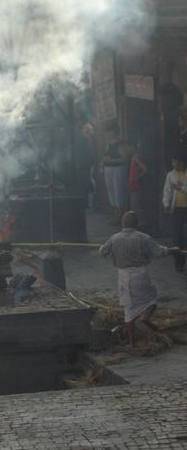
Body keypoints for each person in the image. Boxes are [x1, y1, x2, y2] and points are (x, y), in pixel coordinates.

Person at [99, 211, 178, 347]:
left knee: (128, 308)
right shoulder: (143, 237)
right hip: (140, 275)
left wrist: (105, 248)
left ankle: (132, 342)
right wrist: (173, 250)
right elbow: (159, 251)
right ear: (136, 224)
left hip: (123, 277)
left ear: (123, 223)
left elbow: (102, 252)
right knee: (152, 299)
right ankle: (146, 317)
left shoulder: (114, 238)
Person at [163, 154, 187, 272]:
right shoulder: (170, 175)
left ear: (182, 162)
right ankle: (179, 262)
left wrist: (181, 188)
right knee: (177, 238)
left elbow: (181, 188)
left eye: (175, 161)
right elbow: (167, 190)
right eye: (172, 162)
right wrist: (166, 203)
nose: (173, 164)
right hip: (176, 209)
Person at [102, 124, 128, 224]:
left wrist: (111, 160)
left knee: (118, 191)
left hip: (118, 169)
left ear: (113, 132)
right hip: (109, 169)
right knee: (111, 192)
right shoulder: (109, 144)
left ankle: (120, 216)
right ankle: (115, 214)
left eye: (109, 132)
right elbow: (104, 157)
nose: (107, 134)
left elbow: (124, 158)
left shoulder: (121, 144)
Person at [128, 142, 148, 230]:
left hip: (136, 185)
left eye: (129, 147)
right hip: (133, 184)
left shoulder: (136, 157)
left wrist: (137, 178)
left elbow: (144, 169)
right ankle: (139, 224)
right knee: (135, 205)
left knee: (136, 205)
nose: (128, 149)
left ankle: (142, 224)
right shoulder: (134, 157)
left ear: (133, 147)